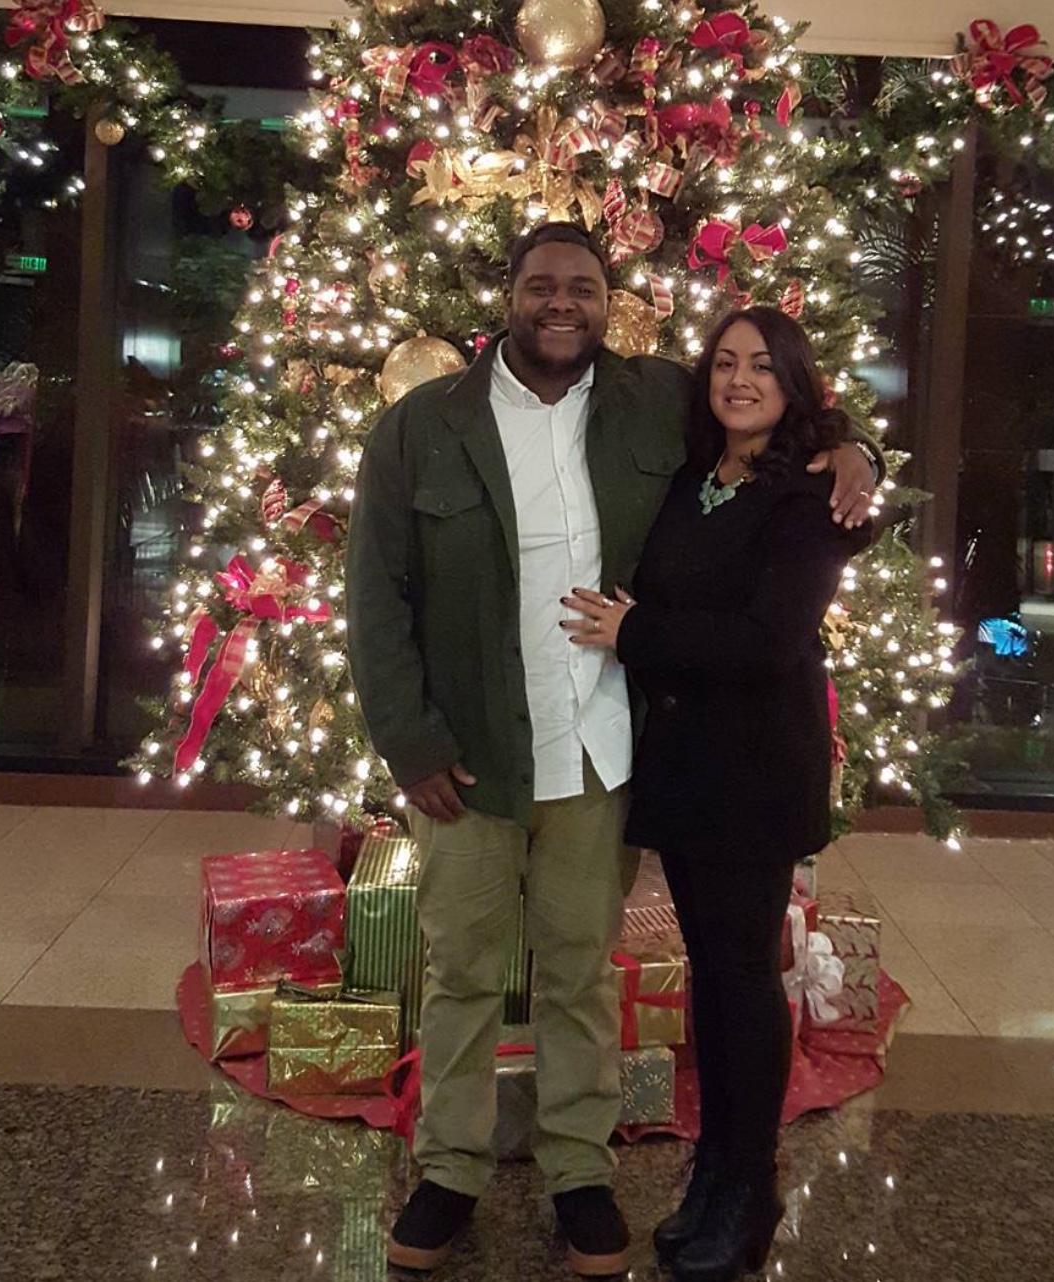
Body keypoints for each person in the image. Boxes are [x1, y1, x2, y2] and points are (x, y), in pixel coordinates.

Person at [347, 223, 880, 1277]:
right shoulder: (421, 426)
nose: (562, 303)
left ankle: (578, 1174)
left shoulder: (653, 400)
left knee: (581, 974)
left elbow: (774, 413)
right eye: (541, 285)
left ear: (608, 302)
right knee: (459, 972)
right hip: (469, 759)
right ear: (508, 295)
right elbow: (375, 593)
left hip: (599, 751)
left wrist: (855, 450)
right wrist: (408, 743)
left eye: (583, 288)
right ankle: (448, 1170)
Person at [562, 307, 871, 1282]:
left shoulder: (806, 495)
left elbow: (769, 641)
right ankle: (714, 1172)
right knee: (715, 974)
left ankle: (750, 1185)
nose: (740, 380)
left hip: (756, 774)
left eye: (762, 366)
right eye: (726, 362)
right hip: (688, 765)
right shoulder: (696, 476)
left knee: (741, 978)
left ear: (793, 382)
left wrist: (634, 634)